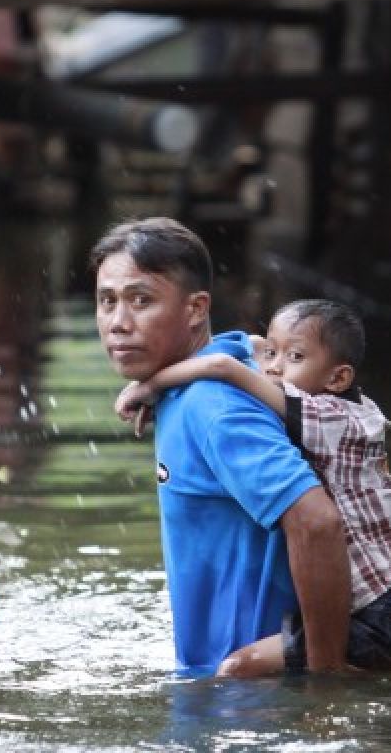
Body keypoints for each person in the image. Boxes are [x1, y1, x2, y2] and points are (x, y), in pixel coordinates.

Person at [116, 299, 391, 675]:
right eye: (272, 353)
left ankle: (324, 702)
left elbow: (225, 367)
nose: (272, 367)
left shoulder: (326, 417)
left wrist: (151, 384)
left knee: (238, 668)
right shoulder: (353, 408)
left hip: (387, 617)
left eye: (295, 357)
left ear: (338, 378)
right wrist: (273, 348)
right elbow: (253, 344)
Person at [91, 216, 351, 676]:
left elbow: (317, 523)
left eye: (141, 301)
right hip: (224, 687)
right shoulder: (215, 371)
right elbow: (248, 345)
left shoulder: (212, 407)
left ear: (196, 309)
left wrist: (324, 682)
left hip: (252, 703)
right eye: (107, 302)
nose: (118, 323)